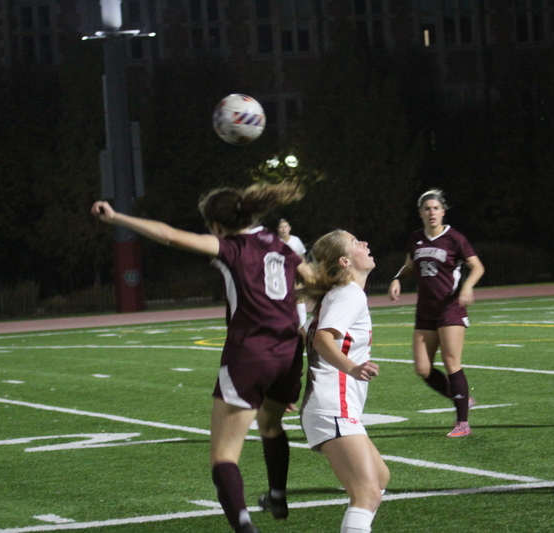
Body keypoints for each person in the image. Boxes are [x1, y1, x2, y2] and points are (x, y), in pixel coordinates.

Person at [91, 182, 311, 533]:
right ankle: (277, 495)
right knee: (270, 424)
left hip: (250, 353)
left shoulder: (231, 246)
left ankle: (244, 528)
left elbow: (168, 235)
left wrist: (117, 217)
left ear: (217, 226)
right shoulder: (281, 245)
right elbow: (312, 280)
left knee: (224, 456)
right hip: (288, 351)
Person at [300, 229, 389, 533]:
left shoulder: (337, 296)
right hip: (333, 404)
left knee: (379, 478)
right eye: (356, 243)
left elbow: (305, 338)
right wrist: (352, 368)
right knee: (367, 493)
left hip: (331, 405)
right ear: (345, 261)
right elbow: (323, 340)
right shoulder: (349, 294)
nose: (365, 243)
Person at [388, 189, 485, 437]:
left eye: (436, 208)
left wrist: (467, 286)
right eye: (427, 208)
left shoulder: (454, 238)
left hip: (450, 308)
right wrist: (398, 278)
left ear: (443, 212)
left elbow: (477, 267)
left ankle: (462, 423)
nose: (432, 212)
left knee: (452, 362)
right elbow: (409, 267)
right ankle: (461, 397)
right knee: (422, 369)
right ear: (420, 213)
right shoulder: (416, 239)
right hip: (425, 312)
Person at [278, 218, 309, 328]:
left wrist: (304, 273)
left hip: (296, 274)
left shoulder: (296, 240)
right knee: (284, 301)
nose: (283, 229)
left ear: (289, 228)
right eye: (281, 227)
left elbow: (302, 257)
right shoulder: (276, 243)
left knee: (300, 299)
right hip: (282, 276)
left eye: (285, 227)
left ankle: (303, 326)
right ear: (278, 229)